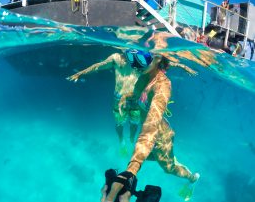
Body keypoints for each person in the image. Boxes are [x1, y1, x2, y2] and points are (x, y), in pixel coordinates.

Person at [103, 49, 200, 202]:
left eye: (141, 59)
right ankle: (169, 158)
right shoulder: (144, 77)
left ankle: (192, 178)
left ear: (157, 59)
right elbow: (137, 96)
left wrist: (132, 170)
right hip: (149, 137)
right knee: (148, 156)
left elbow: (151, 125)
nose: (135, 64)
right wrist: (125, 98)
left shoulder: (163, 87)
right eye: (132, 57)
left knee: (168, 168)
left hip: (160, 137)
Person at [67, 50, 197, 155]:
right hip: (119, 99)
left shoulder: (142, 58)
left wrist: (183, 66)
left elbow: (164, 63)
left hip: (136, 99)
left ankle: (131, 139)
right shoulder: (116, 58)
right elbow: (99, 66)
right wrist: (80, 74)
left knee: (134, 122)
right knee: (119, 123)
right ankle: (122, 141)